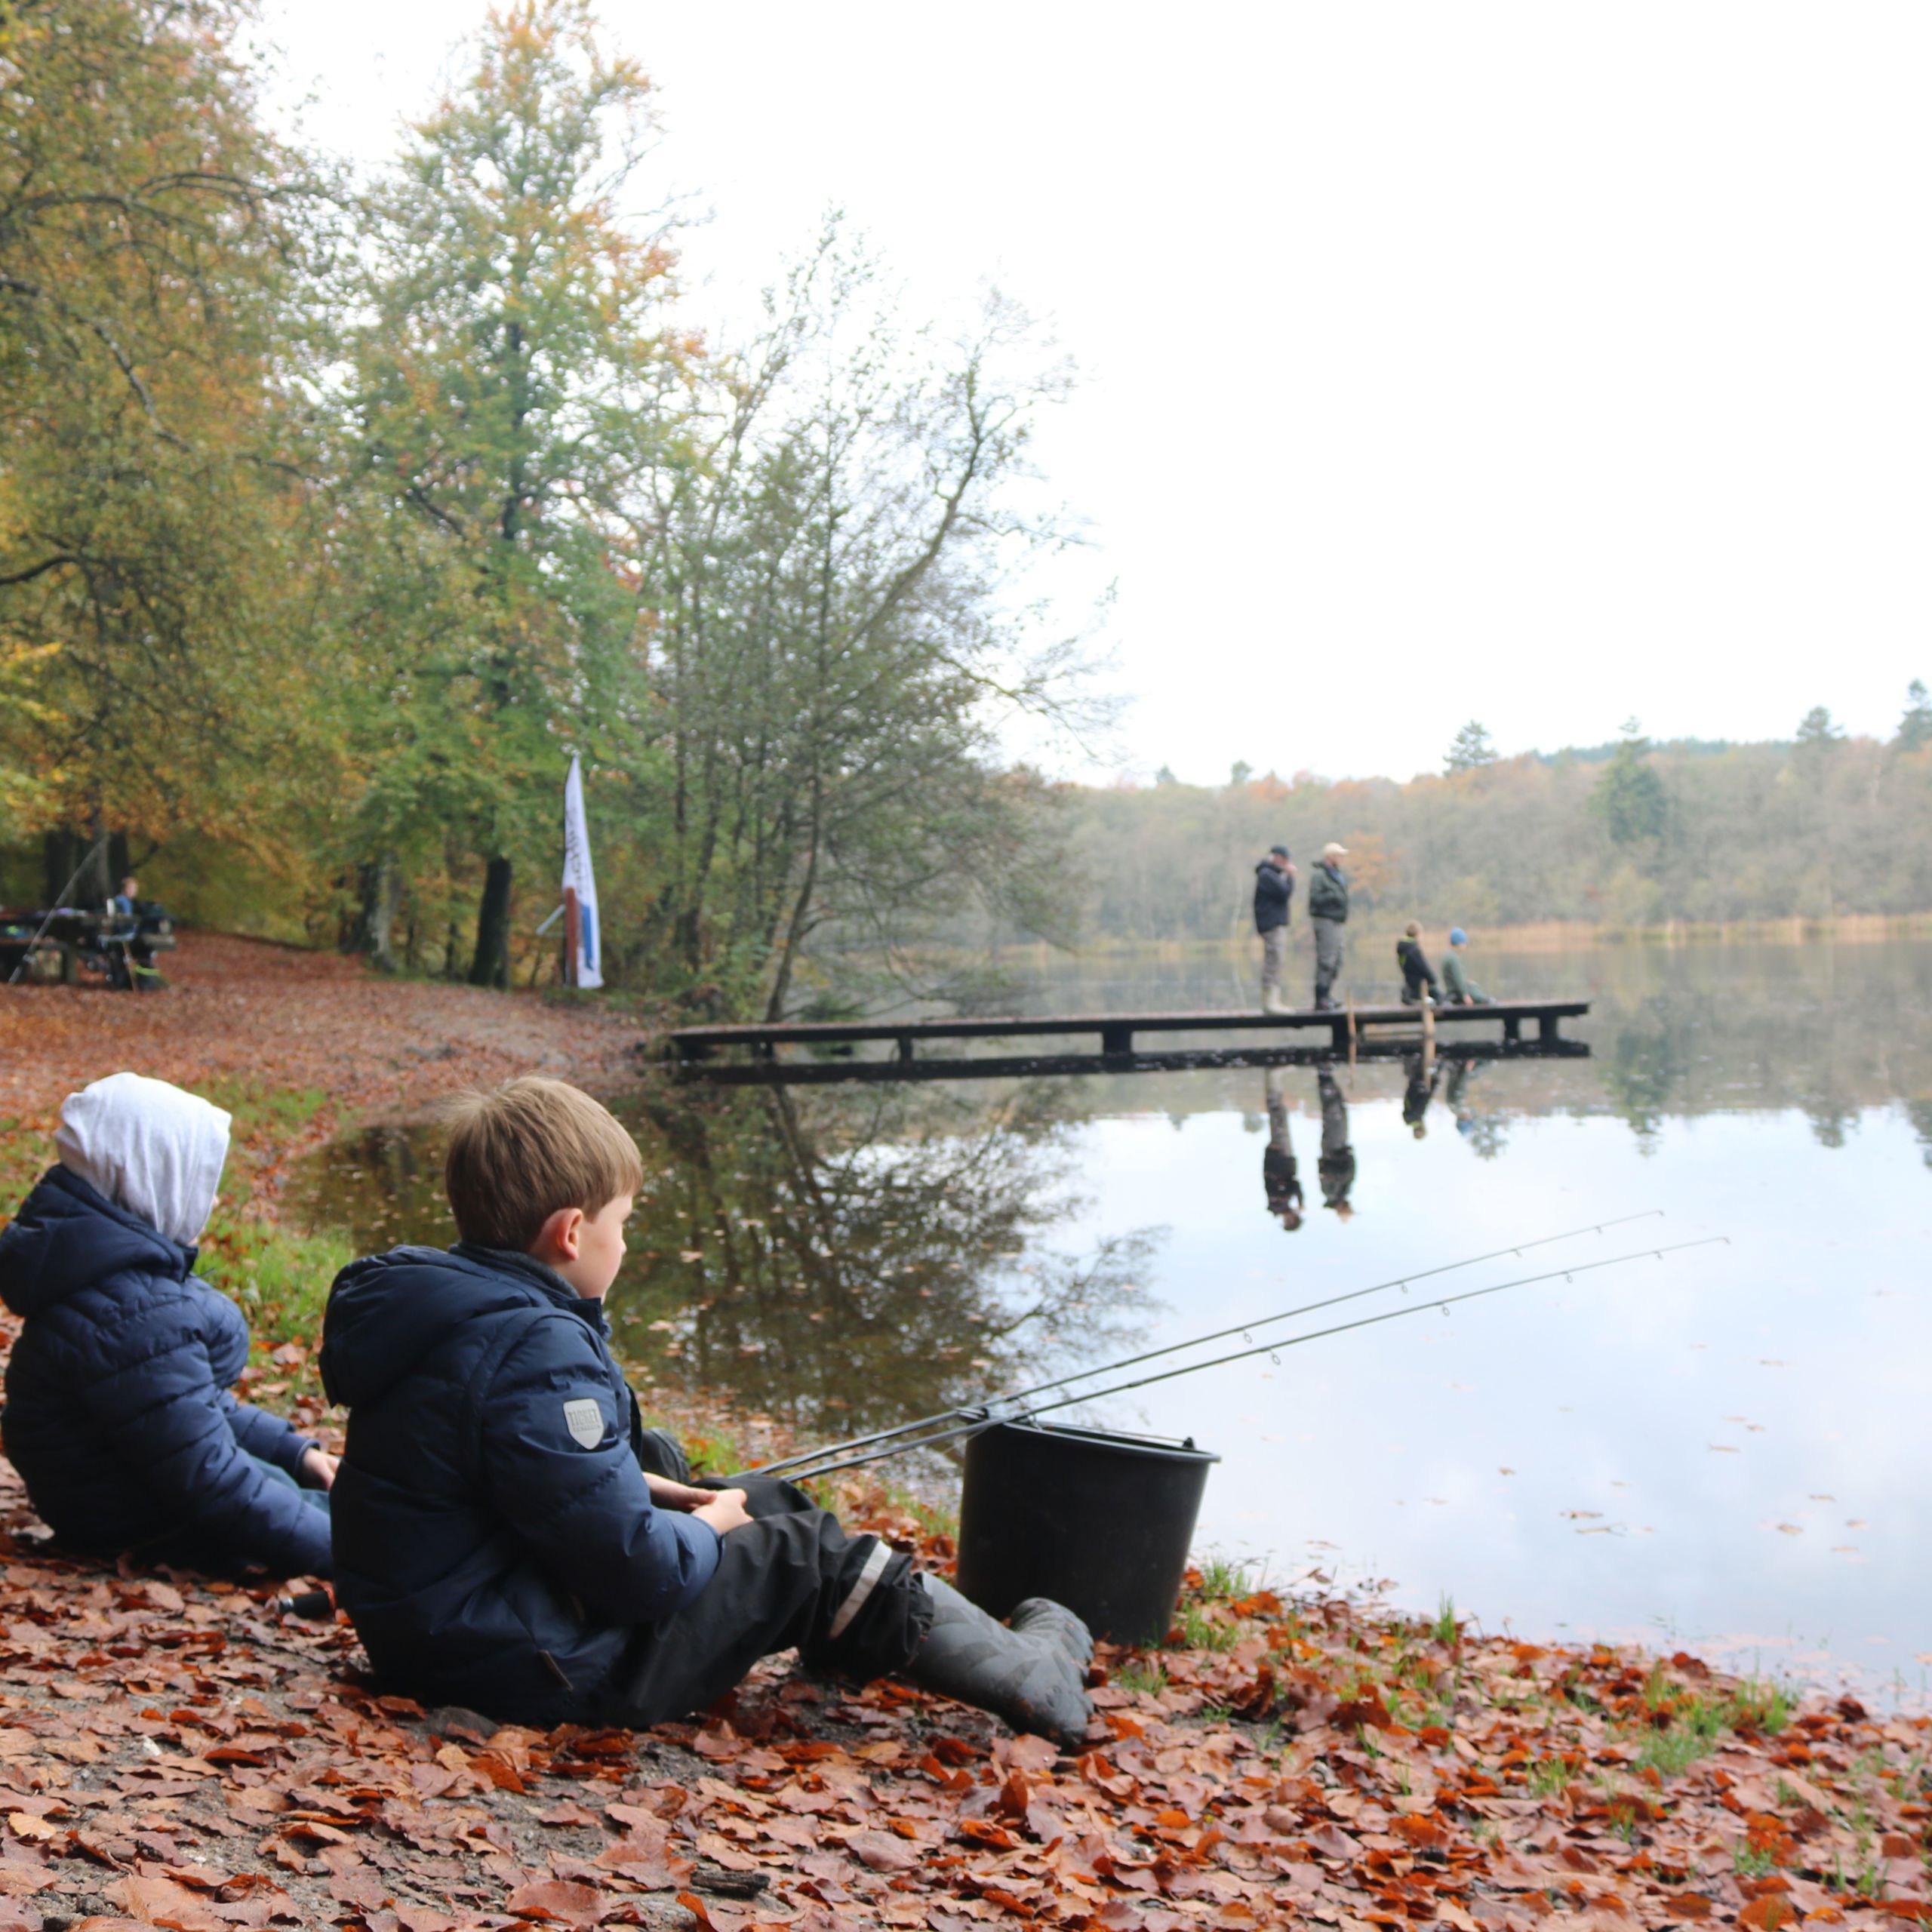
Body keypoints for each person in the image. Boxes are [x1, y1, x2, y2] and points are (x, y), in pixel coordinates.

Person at [319, 1077, 1096, 1747]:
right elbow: (637, 1571)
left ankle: (849, 1634)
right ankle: (1033, 1677)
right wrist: (709, 1527)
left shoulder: (451, 1311)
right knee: (806, 1549)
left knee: (764, 1496)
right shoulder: (535, 1343)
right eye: (623, 1222)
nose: (625, 1243)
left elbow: (496, 1476)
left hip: (445, 1634)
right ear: (571, 1231)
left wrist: (663, 1490)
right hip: (535, 1668)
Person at [0, 1073, 334, 1577]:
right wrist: (352, 1557)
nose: (214, 1202)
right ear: (150, 1177)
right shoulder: (128, 1312)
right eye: (202, 1184)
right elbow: (215, 1481)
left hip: (121, 1496)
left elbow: (184, 1410)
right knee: (362, 1521)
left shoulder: (101, 1277)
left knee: (344, 1497)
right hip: (138, 1520)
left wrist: (296, 1453)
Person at [1252, 846, 1296, 1014]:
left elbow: (1284, 893)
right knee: (1274, 960)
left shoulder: (1270, 874)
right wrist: (1291, 876)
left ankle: (1273, 1001)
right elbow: (1285, 893)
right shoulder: (1266, 875)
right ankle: (1270, 1004)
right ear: (1276, 857)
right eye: (1285, 859)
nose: (1287, 863)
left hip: (1274, 923)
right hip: (1270, 923)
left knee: (1277, 960)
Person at [1307, 842, 1349, 1010]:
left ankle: (1328, 995)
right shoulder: (1320, 875)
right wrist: (1333, 896)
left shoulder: (1337, 874)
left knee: (1337, 961)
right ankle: (1321, 998)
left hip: (1337, 921)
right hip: (1325, 921)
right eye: (1339, 855)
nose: (1342, 859)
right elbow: (1315, 899)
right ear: (1330, 857)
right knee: (1326, 961)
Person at [1261, 1066, 1303, 1229]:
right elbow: (1296, 1185)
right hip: (1284, 1157)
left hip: (1279, 1157)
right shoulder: (1283, 1203)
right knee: (1279, 1116)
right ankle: (1273, 1081)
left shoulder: (1278, 1204)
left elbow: (1294, 1185)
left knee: (1277, 1116)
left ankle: (1273, 1079)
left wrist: (1300, 1201)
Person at [1316, 1068, 1355, 1220]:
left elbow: (1328, 1172)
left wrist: (1340, 1173)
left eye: (1347, 1209)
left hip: (1333, 1150)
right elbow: (1348, 1173)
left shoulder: (1330, 1192)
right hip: (1341, 1149)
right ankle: (1327, 1077)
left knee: (1333, 1114)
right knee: (1339, 1110)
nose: (1349, 1206)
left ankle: (1325, 1077)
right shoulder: (1344, 1191)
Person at [1440, 928, 1492, 1005]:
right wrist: (1465, 995)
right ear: (1459, 943)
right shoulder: (1454, 958)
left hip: (1452, 991)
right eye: (1465, 943)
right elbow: (1459, 979)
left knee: (1473, 985)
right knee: (1487, 1000)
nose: (1466, 946)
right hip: (1457, 993)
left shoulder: (1448, 955)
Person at [1395, 923, 1440, 1006]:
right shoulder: (1413, 950)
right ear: (1418, 934)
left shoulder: (1403, 948)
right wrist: (1433, 980)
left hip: (1409, 986)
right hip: (1418, 989)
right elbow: (1424, 968)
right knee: (1439, 997)